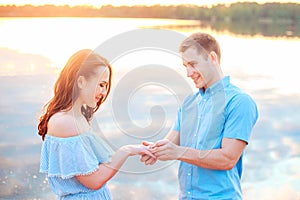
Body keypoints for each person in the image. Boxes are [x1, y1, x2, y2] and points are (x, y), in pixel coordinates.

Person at [141, 32, 258, 199]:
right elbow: (171, 143)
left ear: (212, 58)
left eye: (193, 64)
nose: (189, 73)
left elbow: (227, 159)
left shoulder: (239, 102)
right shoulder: (189, 103)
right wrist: (152, 150)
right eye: (185, 66)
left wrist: (178, 152)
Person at [38, 49, 154, 199]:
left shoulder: (77, 118)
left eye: (106, 86)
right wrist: (127, 150)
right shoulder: (66, 122)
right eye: (101, 84)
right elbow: (93, 180)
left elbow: (93, 170)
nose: (104, 92)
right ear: (80, 82)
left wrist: (137, 149)